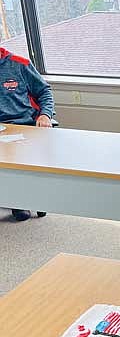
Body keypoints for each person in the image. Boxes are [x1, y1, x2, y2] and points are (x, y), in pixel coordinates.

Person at [0, 45, 55, 221]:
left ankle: (27, 199)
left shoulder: (19, 64)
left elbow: (44, 91)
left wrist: (45, 115)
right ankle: (17, 199)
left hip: (24, 124)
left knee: (19, 156)